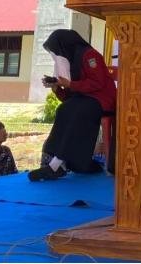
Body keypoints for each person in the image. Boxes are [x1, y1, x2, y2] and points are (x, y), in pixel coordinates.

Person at [28, 29, 116, 182]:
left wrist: (70, 84)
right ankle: (72, 162)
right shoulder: (72, 61)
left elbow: (97, 82)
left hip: (103, 100)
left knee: (78, 111)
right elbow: (70, 98)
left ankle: (56, 165)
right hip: (86, 100)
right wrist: (57, 89)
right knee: (64, 109)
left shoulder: (89, 55)